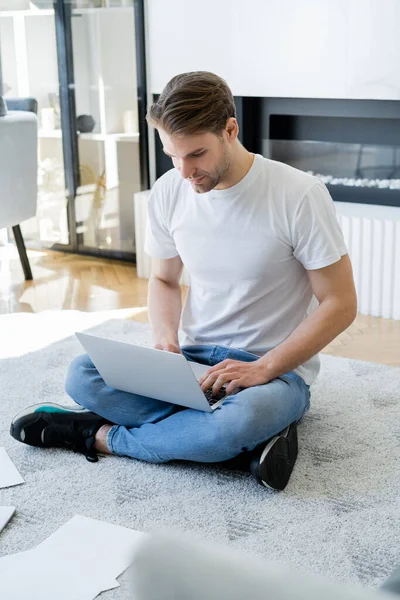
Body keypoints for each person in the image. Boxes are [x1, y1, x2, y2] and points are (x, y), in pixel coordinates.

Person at [10, 72, 357, 491]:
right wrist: (165, 341)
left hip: (272, 372)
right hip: (193, 364)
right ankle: (232, 445)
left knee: (243, 418)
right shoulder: (169, 190)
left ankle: (100, 436)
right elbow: (163, 279)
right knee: (83, 375)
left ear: (231, 130)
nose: (185, 171)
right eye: (172, 155)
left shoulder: (299, 196)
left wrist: (263, 368)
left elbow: (339, 303)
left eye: (196, 154)